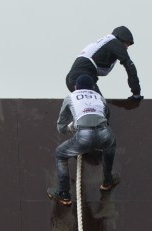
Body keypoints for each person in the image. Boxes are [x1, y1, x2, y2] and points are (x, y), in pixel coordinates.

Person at [47, 75, 120, 206]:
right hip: (104, 132)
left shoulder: (71, 96)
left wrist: (68, 130)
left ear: (76, 86)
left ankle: (64, 193)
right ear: (92, 87)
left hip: (84, 135)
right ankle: (107, 180)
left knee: (60, 154)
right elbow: (106, 115)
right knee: (110, 145)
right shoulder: (99, 97)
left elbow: (61, 124)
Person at [64, 26, 142, 101]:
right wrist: (136, 93)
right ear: (120, 39)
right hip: (82, 76)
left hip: (72, 77)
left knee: (87, 107)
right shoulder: (115, 42)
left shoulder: (105, 42)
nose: (126, 47)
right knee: (99, 107)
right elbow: (130, 67)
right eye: (126, 43)